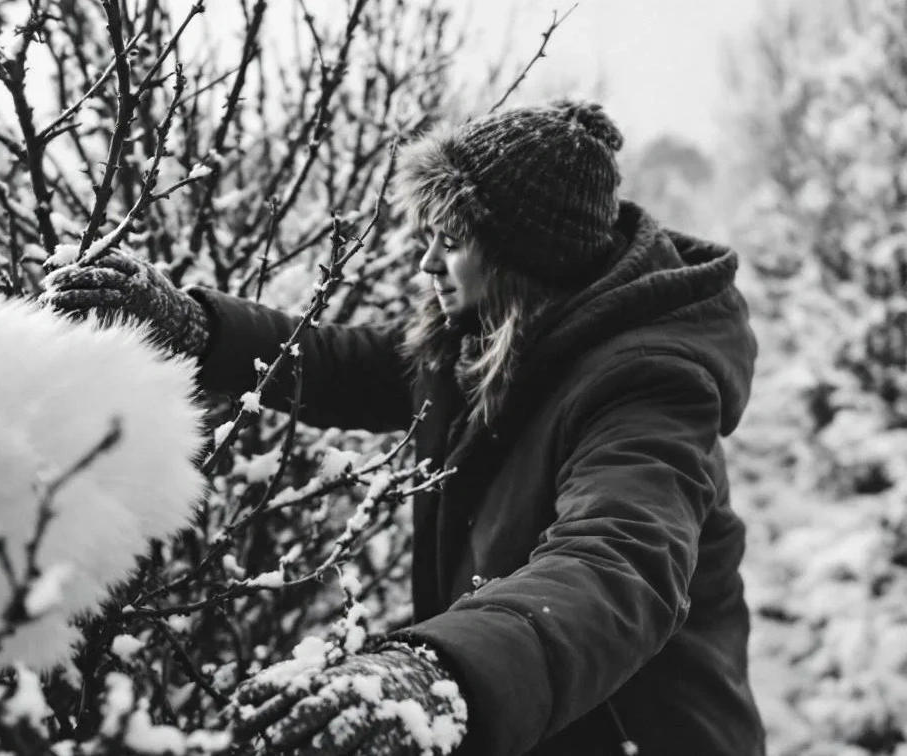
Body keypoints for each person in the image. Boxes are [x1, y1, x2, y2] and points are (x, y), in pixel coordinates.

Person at [41, 100, 765, 756]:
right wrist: (202, 330)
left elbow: (617, 560)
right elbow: (351, 366)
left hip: (641, 733)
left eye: (450, 242)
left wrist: (444, 672)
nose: (425, 263)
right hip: (542, 721)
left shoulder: (649, 386)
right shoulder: (489, 331)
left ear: (522, 259)